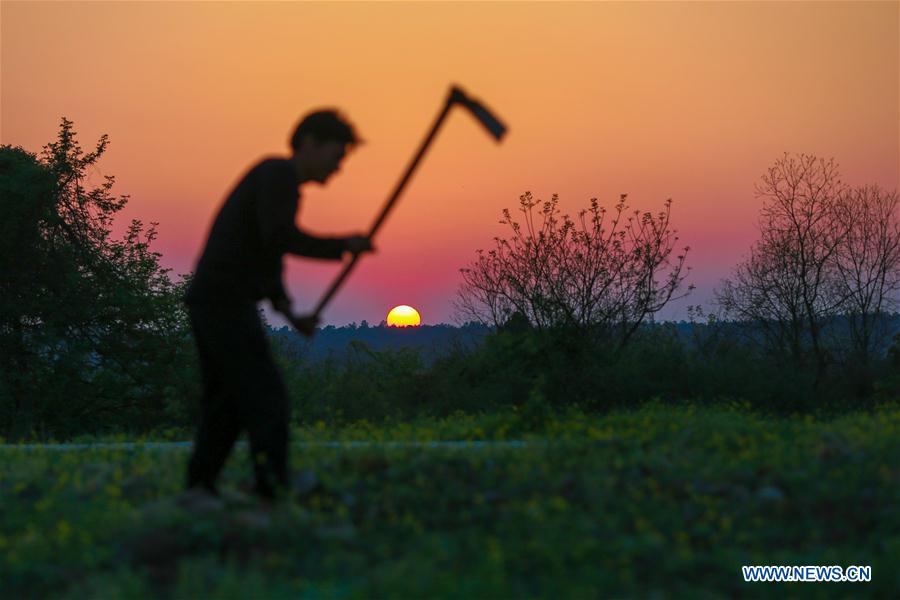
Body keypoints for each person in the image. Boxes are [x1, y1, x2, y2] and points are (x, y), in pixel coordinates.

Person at [182, 109, 373, 503]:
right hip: (222, 301)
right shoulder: (278, 175)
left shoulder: (278, 182)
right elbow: (281, 238)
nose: (337, 170)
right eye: (336, 157)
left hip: (217, 300)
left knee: (228, 400)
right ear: (309, 143)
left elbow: (267, 256)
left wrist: (290, 313)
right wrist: (342, 245)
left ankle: (200, 488)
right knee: (265, 395)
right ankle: (271, 486)